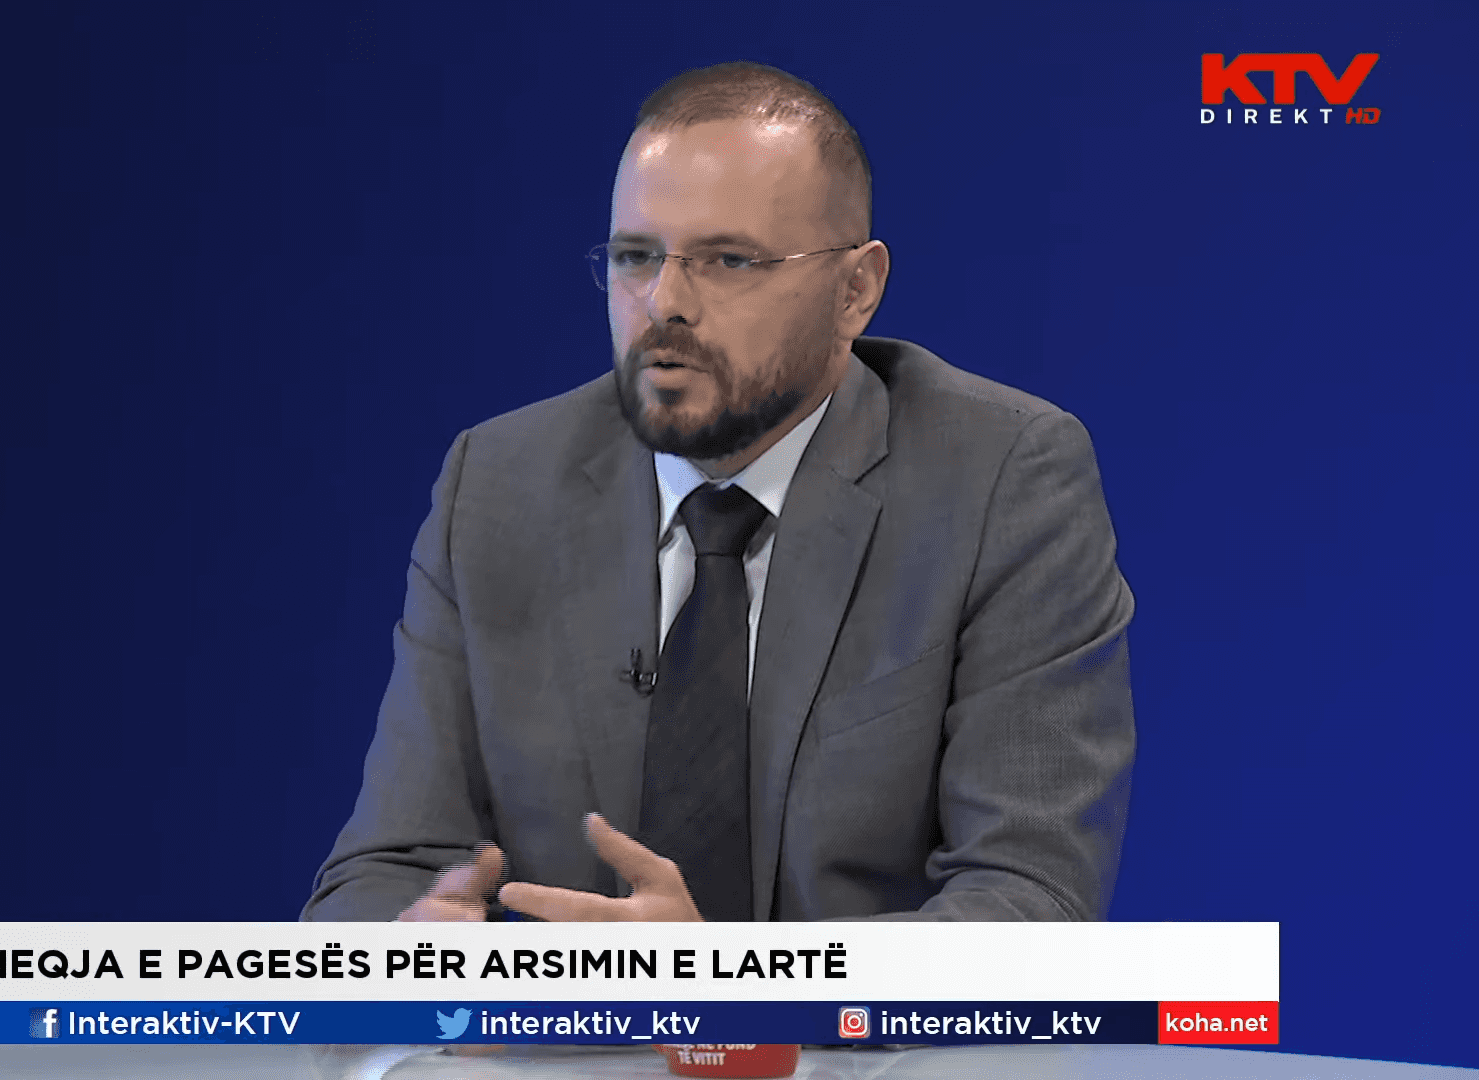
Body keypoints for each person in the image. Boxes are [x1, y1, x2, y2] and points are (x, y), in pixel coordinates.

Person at [301, 62, 1135, 924]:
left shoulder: (1002, 480)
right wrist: (406, 948)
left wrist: (730, 984)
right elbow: (380, 870)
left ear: (856, 290)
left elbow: (1030, 902)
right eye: (636, 258)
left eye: (730, 260)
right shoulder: (499, 483)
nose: (664, 303)